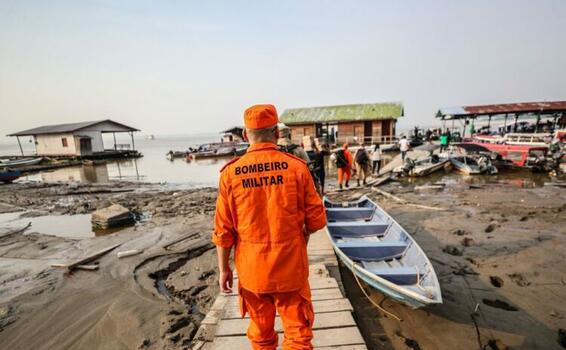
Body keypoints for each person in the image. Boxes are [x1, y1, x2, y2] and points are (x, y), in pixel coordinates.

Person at [213, 104, 327, 350]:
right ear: (276, 133)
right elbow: (317, 220)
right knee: (297, 335)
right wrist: (302, 236)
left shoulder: (230, 174)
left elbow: (223, 232)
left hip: (252, 272)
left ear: (245, 135)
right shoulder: (297, 167)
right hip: (290, 270)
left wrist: (224, 270)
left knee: (261, 335)